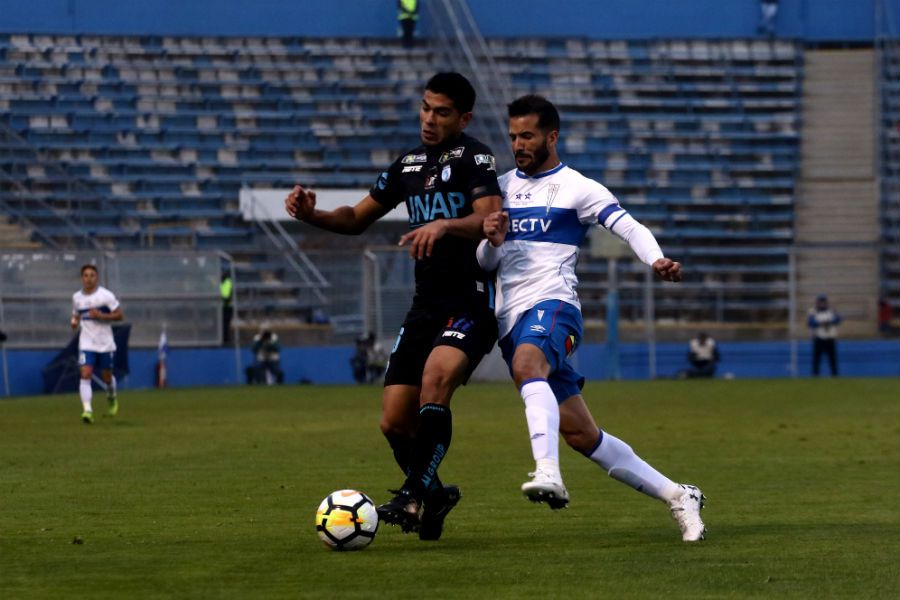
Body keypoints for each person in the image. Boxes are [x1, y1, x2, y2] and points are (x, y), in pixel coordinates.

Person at [476, 94, 706, 541]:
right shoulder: (500, 188)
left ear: (552, 136)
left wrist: (655, 260)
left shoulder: (578, 187)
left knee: (527, 367)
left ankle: (547, 472)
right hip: (511, 321)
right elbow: (484, 263)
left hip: (555, 306)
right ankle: (679, 494)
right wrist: (492, 241)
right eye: (513, 137)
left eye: (527, 135)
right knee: (583, 435)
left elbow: (628, 226)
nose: (518, 144)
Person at [285, 72, 501, 541]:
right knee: (393, 421)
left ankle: (412, 494)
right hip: (425, 306)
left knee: (436, 380)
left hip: (470, 298)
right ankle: (437, 494)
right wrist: (312, 215)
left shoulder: (474, 157)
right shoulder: (406, 166)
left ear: (462, 118)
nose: (429, 118)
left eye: (441, 111)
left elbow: (490, 217)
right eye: (425, 107)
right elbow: (356, 218)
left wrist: (444, 225)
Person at [71, 264, 123, 424]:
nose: (88, 278)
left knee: (106, 376)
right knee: (85, 373)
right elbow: (75, 316)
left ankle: (111, 396)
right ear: (82, 278)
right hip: (86, 343)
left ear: (97, 277)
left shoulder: (106, 296)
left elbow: (120, 315)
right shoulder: (76, 298)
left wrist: (101, 315)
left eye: (92, 275)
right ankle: (87, 411)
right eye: (85, 275)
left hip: (105, 343)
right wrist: (74, 322)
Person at [808, 294, 840, 376]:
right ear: (817, 303)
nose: (822, 303)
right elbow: (811, 323)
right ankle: (815, 375)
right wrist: (821, 323)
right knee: (816, 359)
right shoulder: (813, 311)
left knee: (832, 359)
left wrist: (829, 322)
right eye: (820, 302)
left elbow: (838, 319)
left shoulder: (831, 311)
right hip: (819, 338)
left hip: (830, 338)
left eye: (824, 302)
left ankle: (834, 375)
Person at [220, 272, 233, 345]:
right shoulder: (221, 283)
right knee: (222, 324)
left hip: (226, 307)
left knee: (225, 324)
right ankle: (223, 338)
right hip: (221, 307)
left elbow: (226, 295)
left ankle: (225, 340)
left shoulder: (227, 282)